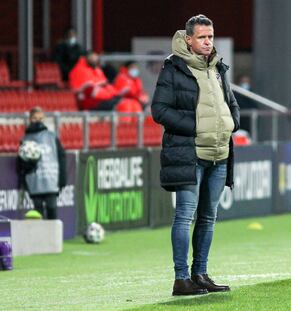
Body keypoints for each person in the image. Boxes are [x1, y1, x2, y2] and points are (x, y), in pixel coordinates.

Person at [151, 14, 240, 296]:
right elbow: (159, 110)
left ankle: (199, 273)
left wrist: (232, 122)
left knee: (208, 217)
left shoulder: (218, 68)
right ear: (188, 39)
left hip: (220, 153)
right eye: (202, 37)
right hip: (190, 153)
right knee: (185, 215)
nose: (207, 42)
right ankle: (181, 278)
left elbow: (230, 101)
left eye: (210, 37)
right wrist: (196, 128)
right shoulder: (173, 69)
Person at [17, 107, 66, 219]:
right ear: (30, 119)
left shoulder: (52, 137)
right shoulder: (25, 139)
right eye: (35, 118)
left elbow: (61, 157)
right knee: (38, 212)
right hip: (34, 181)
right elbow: (20, 163)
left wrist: (62, 178)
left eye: (40, 118)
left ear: (44, 119)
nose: (38, 121)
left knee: (52, 209)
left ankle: (53, 236)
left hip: (51, 181)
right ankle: (41, 236)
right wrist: (24, 177)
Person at [69, 51, 141, 114]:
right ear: (86, 57)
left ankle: (135, 127)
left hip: (105, 98)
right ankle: (125, 127)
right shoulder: (79, 70)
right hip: (92, 102)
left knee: (134, 104)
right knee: (124, 104)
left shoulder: (97, 70)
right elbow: (85, 90)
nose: (95, 59)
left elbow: (105, 84)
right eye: (92, 57)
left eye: (96, 57)